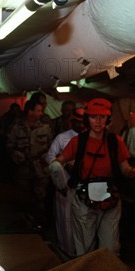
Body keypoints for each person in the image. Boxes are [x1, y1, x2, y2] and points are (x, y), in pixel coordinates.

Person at [50, 98, 135, 256]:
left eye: (102, 117)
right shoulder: (78, 142)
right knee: (85, 249)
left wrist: (132, 172)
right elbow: (58, 163)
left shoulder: (115, 141)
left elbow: (125, 169)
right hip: (84, 200)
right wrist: (59, 173)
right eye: (93, 117)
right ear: (87, 119)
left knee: (110, 249)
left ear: (109, 119)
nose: (98, 121)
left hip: (109, 199)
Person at [6, 99, 53, 230]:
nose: (41, 113)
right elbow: (9, 146)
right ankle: (24, 226)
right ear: (30, 111)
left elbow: (51, 146)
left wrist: (46, 157)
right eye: (38, 110)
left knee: (40, 200)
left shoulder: (46, 128)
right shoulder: (16, 128)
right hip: (23, 170)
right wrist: (17, 156)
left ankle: (40, 227)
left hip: (41, 171)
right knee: (23, 198)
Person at [46, 107, 85, 257]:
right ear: (71, 121)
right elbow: (50, 157)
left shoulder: (91, 137)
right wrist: (63, 165)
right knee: (65, 218)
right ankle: (66, 250)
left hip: (83, 185)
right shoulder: (62, 138)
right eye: (77, 122)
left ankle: (81, 251)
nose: (80, 125)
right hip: (65, 185)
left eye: (83, 122)